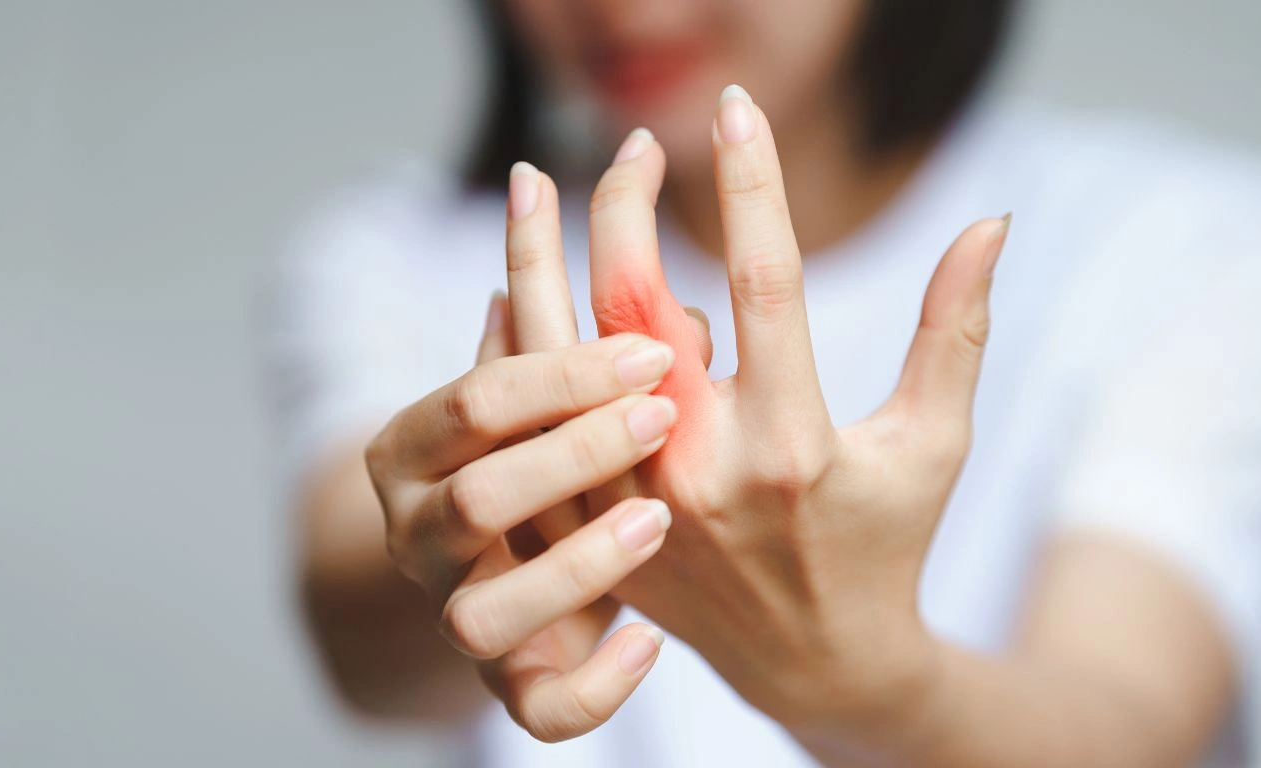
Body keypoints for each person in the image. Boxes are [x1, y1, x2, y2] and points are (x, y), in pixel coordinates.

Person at [269, 1, 1261, 765]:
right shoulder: (401, 254)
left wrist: (868, 688)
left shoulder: (1179, 243)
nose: (626, 6)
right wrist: (470, 545)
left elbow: (1126, 719)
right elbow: (354, 642)